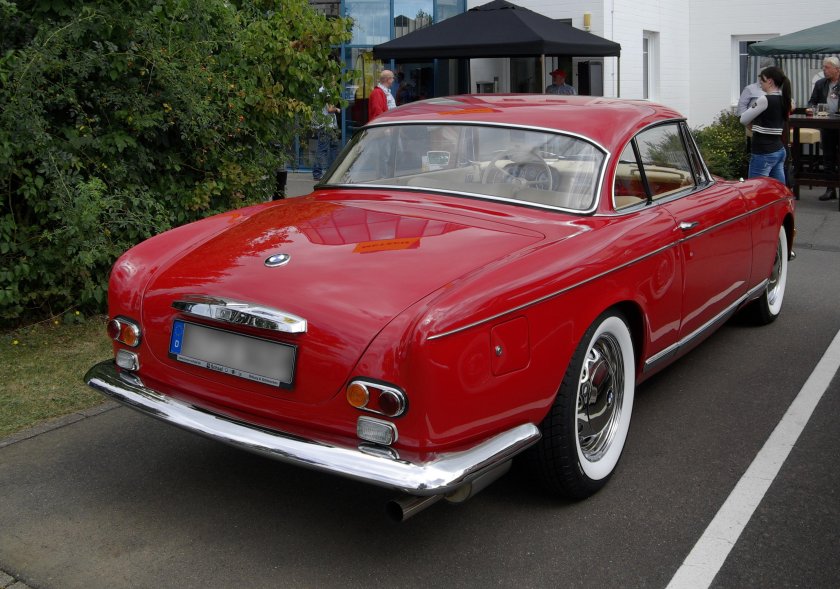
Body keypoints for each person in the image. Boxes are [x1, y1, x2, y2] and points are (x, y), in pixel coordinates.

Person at [740, 66, 791, 184]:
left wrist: (751, 125)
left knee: (756, 189)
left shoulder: (764, 99)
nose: (760, 84)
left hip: (763, 150)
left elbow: (743, 119)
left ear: (770, 81)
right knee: (778, 190)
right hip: (779, 149)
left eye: (762, 81)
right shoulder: (785, 99)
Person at [807, 56, 840, 200]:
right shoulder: (820, 84)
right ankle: (830, 189)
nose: (824, 70)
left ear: (837, 69)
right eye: (823, 67)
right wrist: (810, 108)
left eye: (827, 67)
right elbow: (812, 102)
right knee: (828, 158)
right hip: (827, 125)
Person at [312, 86, 341, 181]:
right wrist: (337, 109)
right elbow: (329, 109)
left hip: (325, 125)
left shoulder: (318, 90)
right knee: (324, 149)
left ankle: (329, 172)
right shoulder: (325, 91)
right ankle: (319, 173)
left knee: (331, 148)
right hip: (327, 125)